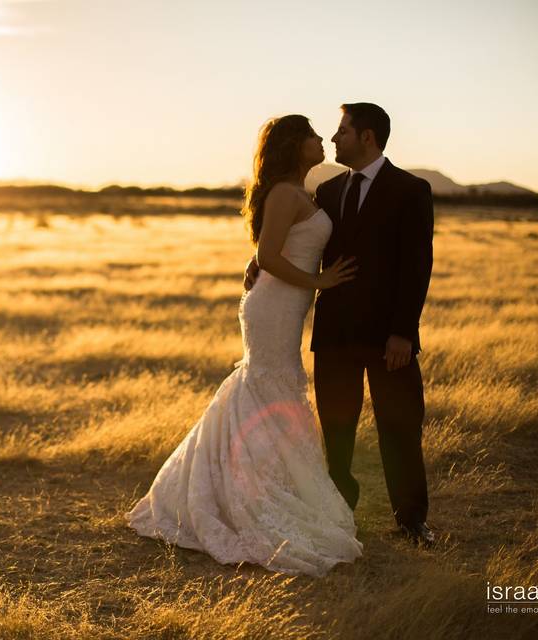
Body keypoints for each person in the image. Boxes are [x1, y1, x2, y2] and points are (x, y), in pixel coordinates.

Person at [125, 114, 363, 576]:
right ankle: (248, 496)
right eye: (313, 135)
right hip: (273, 307)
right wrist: (318, 281)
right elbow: (270, 255)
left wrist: (294, 276)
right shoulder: (282, 193)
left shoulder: (302, 193)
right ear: (294, 144)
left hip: (286, 305)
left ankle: (268, 483)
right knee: (267, 386)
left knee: (271, 387)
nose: (321, 141)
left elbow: (269, 253)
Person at [244, 103, 435, 547]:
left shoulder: (411, 190)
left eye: (343, 131)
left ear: (367, 137)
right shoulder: (327, 192)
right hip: (334, 336)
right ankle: (339, 512)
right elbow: (290, 240)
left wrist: (403, 332)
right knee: (336, 430)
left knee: (400, 426)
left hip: (390, 336)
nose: (333, 138)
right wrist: (257, 265)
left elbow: (417, 266)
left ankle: (411, 519)